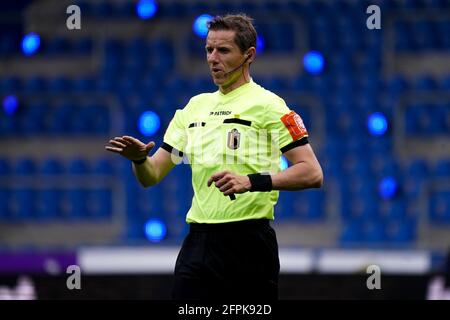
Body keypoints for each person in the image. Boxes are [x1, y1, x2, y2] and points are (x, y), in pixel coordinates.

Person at [105, 14, 323, 300]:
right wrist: (139, 160)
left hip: (249, 244)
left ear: (249, 55)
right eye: (209, 50)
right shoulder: (193, 108)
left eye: (223, 50)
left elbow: (312, 172)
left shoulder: (270, 106)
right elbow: (152, 176)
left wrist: (251, 182)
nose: (213, 58)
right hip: (198, 244)